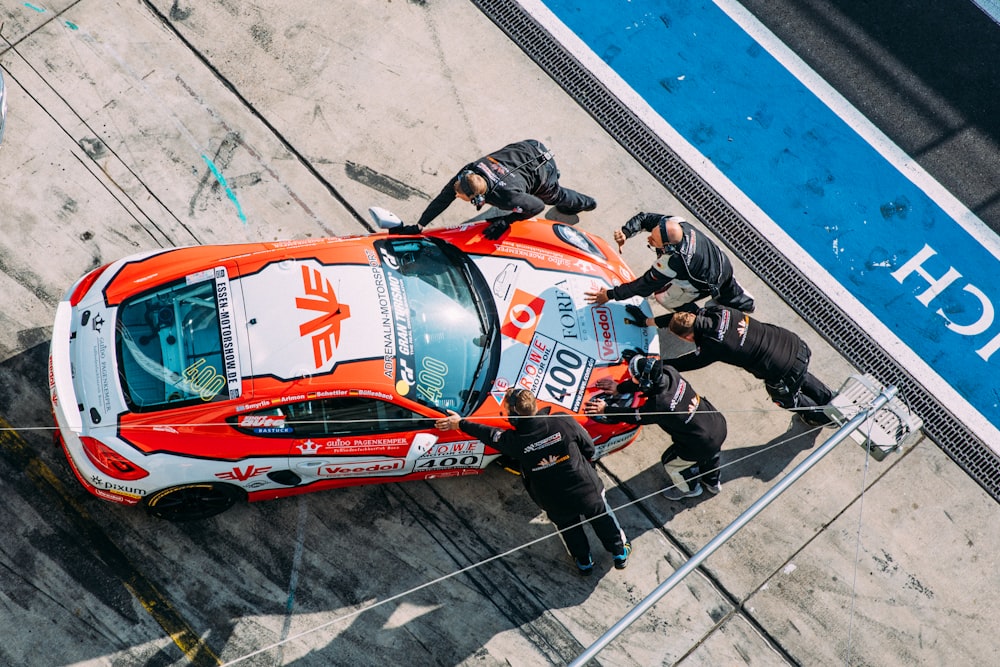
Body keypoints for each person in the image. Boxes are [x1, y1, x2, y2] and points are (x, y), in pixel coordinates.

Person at [435, 387, 630, 575]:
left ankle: (584, 563)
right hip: (587, 489)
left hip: (553, 500)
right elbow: (589, 448)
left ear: (514, 415)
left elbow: (487, 434)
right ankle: (619, 553)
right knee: (603, 519)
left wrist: (459, 423)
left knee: (570, 530)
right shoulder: (561, 421)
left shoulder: (514, 441)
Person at [641, 304, 834, 427]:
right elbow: (684, 314)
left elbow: (684, 363)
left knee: (786, 399)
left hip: (784, 369)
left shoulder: (712, 346)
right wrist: (649, 322)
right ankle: (830, 398)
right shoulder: (717, 311)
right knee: (798, 372)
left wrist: (653, 363)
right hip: (795, 344)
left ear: (688, 337)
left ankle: (824, 418)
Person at [584, 354, 728, 500]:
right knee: (711, 452)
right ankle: (713, 482)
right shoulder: (669, 371)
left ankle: (690, 489)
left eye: (633, 376)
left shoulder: (659, 405)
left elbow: (634, 416)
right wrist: (619, 388)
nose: (631, 377)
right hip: (717, 423)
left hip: (702, 442)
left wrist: (606, 410)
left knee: (671, 463)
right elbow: (644, 382)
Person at [402, 139, 597, 240]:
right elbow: (444, 198)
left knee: (554, 196)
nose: (455, 196)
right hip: (527, 146)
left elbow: (537, 207)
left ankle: (588, 203)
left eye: (460, 197)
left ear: (478, 199)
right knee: (525, 188)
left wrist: (507, 221)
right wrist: (420, 225)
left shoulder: (507, 198)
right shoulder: (470, 172)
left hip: (541, 166)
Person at [584, 212, 754, 313]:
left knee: (662, 296)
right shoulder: (674, 222)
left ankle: (696, 317)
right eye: (652, 234)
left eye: (654, 240)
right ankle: (745, 302)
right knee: (727, 286)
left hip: (706, 282)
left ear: (669, 246)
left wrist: (609, 295)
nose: (649, 238)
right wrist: (626, 232)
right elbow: (645, 218)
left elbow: (643, 286)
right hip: (722, 262)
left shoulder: (672, 262)